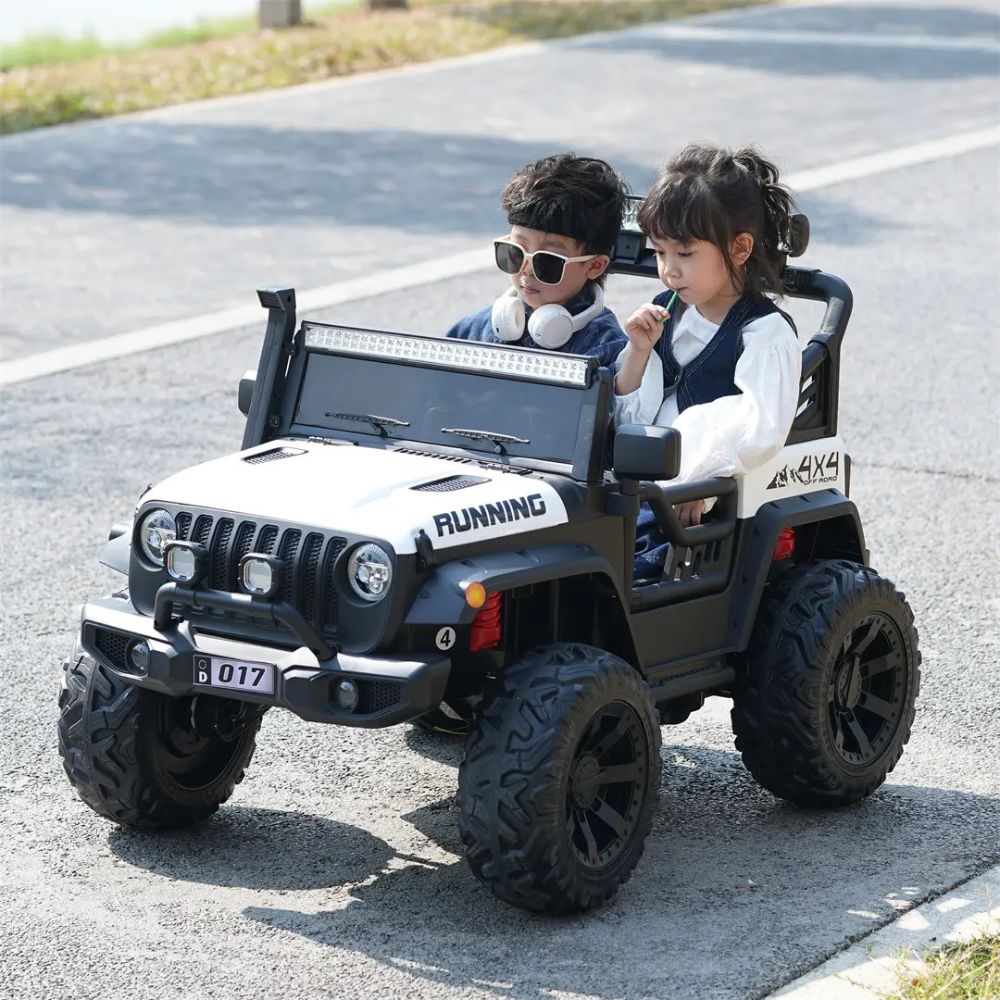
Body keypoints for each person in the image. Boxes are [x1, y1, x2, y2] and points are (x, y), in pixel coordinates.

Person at [614, 144, 803, 581]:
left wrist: (697, 475)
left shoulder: (764, 334)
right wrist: (639, 351)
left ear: (738, 249)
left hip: (686, 506)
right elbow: (629, 414)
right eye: (660, 253)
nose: (669, 271)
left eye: (685, 253)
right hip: (637, 482)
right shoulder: (666, 311)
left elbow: (759, 427)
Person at [446, 153, 629, 369]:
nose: (527, 271)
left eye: (548, 261)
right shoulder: (476, 330)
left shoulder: (605, 349)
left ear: (594, 266)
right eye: (515, 252)